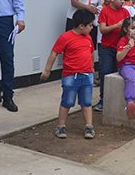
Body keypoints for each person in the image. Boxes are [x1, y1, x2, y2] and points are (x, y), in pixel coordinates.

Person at [41, 9, 96, 139]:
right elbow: (54, 52)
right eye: (90, 25)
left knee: (87, 102)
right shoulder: (66, 37)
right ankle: (61, 126)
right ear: (81, 26)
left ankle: (89, 126)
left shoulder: (88, 37)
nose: (92, 28)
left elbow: (91, 52)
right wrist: (47, 70)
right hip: (71, 76)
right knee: (67, 101)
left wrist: (92, 66)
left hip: (87, 75)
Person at [94, 0, 130, 111]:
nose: (122, 2)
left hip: (121, 48)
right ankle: (103, 100)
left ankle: (116, 100)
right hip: (106, 48)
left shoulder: (125, 12)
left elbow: (129, 30)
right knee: (105, 73)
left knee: (118, 74)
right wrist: (116, 26)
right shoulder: (105, 11)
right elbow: (103, 29)